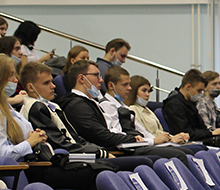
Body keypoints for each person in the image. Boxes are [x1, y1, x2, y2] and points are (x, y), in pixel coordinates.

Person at [0, 54, 102, 190]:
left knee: (102, 168)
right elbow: (0, 155)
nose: (15, 80)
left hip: (37, 163)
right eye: (11, 75)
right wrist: (30, 142)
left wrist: (36, 138)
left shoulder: (4, 106)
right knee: (98, 173)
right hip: (28, 170)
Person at [18, 62, 151, 170]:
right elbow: (61, 144)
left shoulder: (52, 106)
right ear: (31, 88)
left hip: (79, 154)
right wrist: (99, 152)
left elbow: (75, 138)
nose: (53, 86)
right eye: (46, 83)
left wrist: (97, 150)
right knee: (135, 164)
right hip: (63, 161)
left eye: (52, 82)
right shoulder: (38, 108)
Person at [59, 60, 188, 162]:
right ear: (82, 79)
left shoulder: (89, 102)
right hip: (112, 152)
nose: (101, 80)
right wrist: (133, 140)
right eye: (96, 75)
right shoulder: (77, 105)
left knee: (184, 152)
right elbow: (102, 136)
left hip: (123, 146)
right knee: (178, 155)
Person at [125, 75, 198, 147]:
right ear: (134, 91)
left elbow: (159, 132)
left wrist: (177, 137)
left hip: (161, 143)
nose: (147, 94)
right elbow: (143, 135)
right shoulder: (132, 110)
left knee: (197, 147)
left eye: (149, 91)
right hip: (154, 146)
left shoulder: (147, 110)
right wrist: (171, 140)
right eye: (144, 91)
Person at [163, 69, 220, 145]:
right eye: (199, 90)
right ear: (188, 87)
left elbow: (201, 127)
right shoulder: (174, 104)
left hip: (199, 139)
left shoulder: (191, 102)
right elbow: (185, 132)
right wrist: (210, 133)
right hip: (187, 143)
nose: (201, 94)